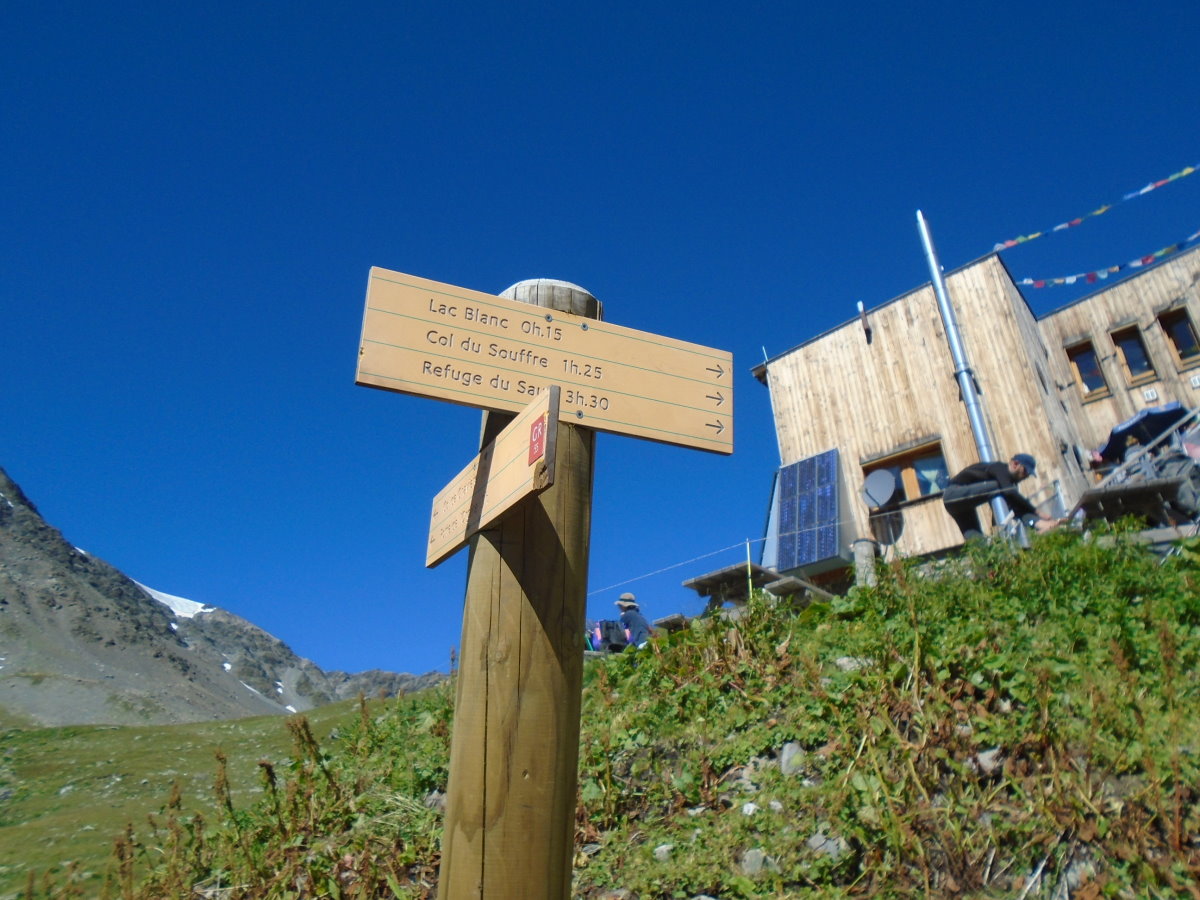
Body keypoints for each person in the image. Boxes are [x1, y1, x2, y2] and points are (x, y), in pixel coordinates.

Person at [941, 453, 1057, 541]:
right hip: (953, 494)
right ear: (1015, 464)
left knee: (977, 541)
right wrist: (1037, 512)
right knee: (1002, 488)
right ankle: (1037, 523)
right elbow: (1009, 492)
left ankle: (987, 569)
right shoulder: (999, 468)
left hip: (961, 508)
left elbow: (1014, 502)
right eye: (1025, 471)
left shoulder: (1007, 484)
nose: (1026, 476)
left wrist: (1036, 520)